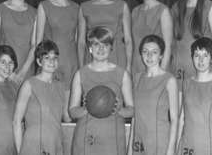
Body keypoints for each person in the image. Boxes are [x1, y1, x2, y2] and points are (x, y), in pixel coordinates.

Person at [69, 26, 134, 155]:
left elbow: (131, 110)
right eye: (96, 44)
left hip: (112, 139)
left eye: (105, 44)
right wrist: (86, 109)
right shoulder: (81, 74)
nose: (101, 48)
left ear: (111, 48)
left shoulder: (122, 74)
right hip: (87, 138)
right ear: (90, 48)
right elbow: (72, 111)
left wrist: (119, 110)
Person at [37, 0, 78, 121]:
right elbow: (38, 41)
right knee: (48, 113)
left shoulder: (76, 8)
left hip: (70, 63)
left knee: (67, 115)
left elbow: (77, 39)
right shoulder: (44, 6)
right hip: (50, 62)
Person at [13, 40, 67, 155]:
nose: (52, 61)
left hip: (55, 144)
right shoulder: (29, 84)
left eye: (55, 57)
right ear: (39, 61)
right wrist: (20, 152)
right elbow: (17, 122)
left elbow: (65, 118)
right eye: (47, 57)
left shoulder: (61, 87)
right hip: (33, 146)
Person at [77, 0, 132, 72]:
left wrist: (129, 66)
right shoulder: (84, 7)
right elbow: (81, 42)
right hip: (93, 60)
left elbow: (128, 40)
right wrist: (81, 67)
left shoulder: (122, 5)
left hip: (117, 59)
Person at [177, 37, 212, 155]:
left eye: (205, 55)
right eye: (196, 55)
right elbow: (182, 118)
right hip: (187, 146)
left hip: (210, 146)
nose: (200, 60)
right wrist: (177, 145)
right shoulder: (186, 83)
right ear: (192, 58)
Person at [130, 35, 178, 155]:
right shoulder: (137, 78)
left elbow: (174, 119)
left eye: (154, 52)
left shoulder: (169, 80)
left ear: (161, 55)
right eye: (145, 51)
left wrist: (171, 150)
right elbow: (134, 117)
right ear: (141, 54)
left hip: (160, 142)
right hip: (139, 142)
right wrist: (130, 148)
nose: (149, 56)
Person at [131, 0, 173, 75]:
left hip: (155, 68)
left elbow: (168, 46)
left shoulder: (163, 10)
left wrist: (161, 73)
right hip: (136, 68)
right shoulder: (135, 11)